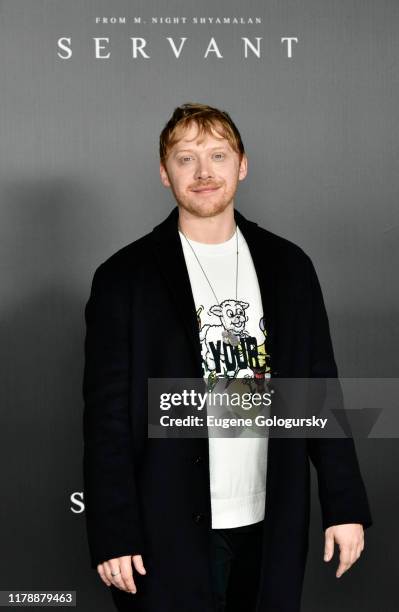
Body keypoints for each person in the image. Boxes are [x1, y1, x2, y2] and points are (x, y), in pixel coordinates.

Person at [82, 102, 372, 612]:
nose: (203, 172)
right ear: (164, 173)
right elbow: (105, 420)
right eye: (185, 158)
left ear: (242, 164)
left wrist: (343, 505)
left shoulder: (289, 266)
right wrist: (113, 532)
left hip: (271, 520)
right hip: (163, 531)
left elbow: (320, 392)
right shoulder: (123, 278)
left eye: (218, 155)